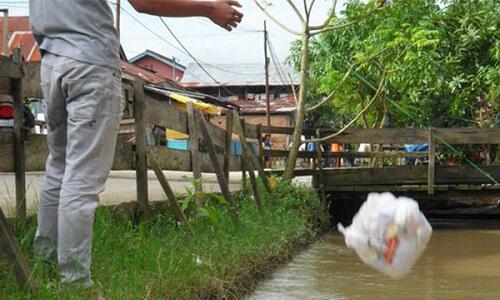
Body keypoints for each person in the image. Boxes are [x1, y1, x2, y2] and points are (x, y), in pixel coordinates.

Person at [30, 0, 243, 287]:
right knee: (82, 179)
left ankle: (43, 267)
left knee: (58, 169)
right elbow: (143, 2)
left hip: (52, 62)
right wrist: (209, 8)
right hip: (89, 62)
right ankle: (75, 281)